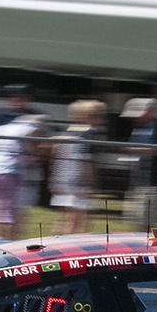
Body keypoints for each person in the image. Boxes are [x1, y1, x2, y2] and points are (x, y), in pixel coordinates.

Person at [0, 112, 44, 239]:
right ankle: (6, 243)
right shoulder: (29, 128)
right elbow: (35, 138)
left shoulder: (0, 128)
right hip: (6, 172)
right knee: (8, 213)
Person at [49, 99, 105, 234]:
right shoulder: (90, 134)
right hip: (79, 180)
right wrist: (91, 182)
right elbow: (87, 161)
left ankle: (53, 243)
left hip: (62, 177)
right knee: (77, 219)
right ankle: (69, 246)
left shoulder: (68, 131)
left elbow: (54, 154)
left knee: (63, 217)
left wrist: (52, 176)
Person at [122, 97, 157, 229]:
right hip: (140, 182)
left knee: (152, 223)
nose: (134, 118)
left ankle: (156, 245)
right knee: (140, 220)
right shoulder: (140, 128)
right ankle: (143, 245)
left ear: (148, 111)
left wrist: (135, 150)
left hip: (156, 183)